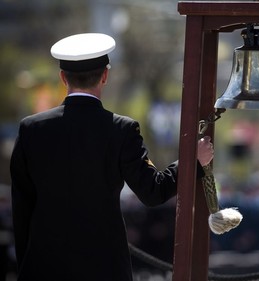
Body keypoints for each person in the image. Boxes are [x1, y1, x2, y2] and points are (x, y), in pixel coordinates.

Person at [10, 33, 214, 281]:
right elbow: (153, 192)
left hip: (43, 270)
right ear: (105, 76)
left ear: (63, 77)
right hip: (103, 268)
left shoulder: (31, 129)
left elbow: (21, 210)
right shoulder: (121, 129)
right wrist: (194, 162)